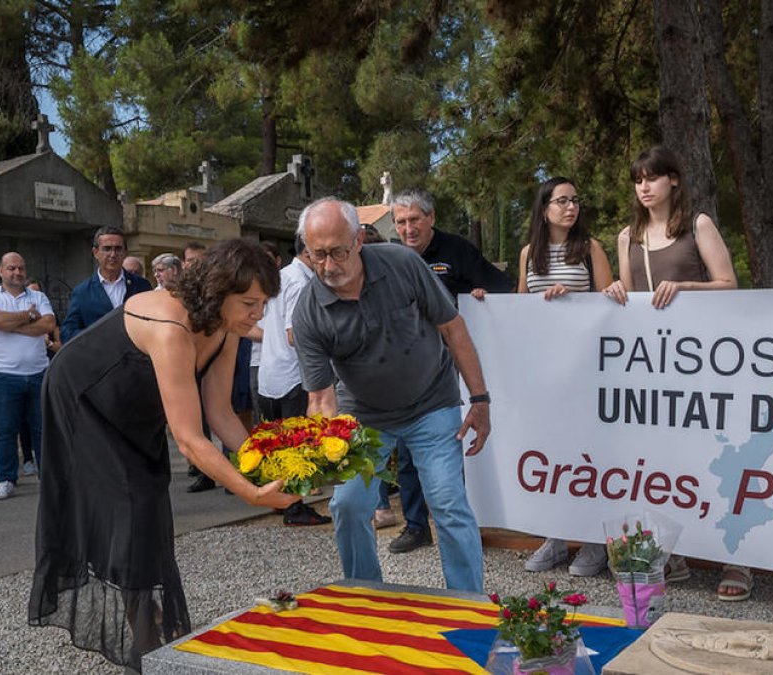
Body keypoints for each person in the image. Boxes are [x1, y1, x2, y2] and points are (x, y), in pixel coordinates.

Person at [28, 239, 297, 671]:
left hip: (133, 406)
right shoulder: (171, 328)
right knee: (132, 506)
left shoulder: (227, 327)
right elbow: (190, 439)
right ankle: (147, 647)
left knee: (149, 496)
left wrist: (275, 464)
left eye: (263, 304)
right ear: (217, 291)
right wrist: (251, 492)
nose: (258, 315)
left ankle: (148, 623)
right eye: (249, 302)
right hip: (83, 400)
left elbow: (221, 413)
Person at [293, 197, 491, 592]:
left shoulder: (402, 264)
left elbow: (453, 328)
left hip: (432, 402)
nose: (328, 266)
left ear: (359, 240)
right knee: (348, 505)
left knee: (448, 502)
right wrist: (327, 452)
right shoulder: (308, 312)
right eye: (317, 255)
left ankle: (469, 602)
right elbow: (320, 398)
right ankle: (366, 595)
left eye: (337, 252)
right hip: (363, 416)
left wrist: (480, 400)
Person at [605, 146, 742, 597]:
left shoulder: (697, 225)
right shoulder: (628, 236)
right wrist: (611, 290)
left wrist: (684, 285)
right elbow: (627, 295)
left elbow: (729, 286)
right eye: (637, 179)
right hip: (652, 367)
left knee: (715, 460)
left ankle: (736, 560)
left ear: (674, 180)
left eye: (653, 177)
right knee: (661, 462)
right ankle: (672, 554)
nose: (644, 186)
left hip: (700, 361)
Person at [383, 188, 516, 554]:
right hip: (408, 365)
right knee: (408, 447)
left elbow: (503, 287)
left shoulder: (457, 250)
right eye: (401, 222)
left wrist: (479, 295)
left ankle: (469, 522)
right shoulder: (391, 258)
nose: (408, 229)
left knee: (455, 443)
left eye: (414, 220)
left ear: (431, 219)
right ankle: (415, 525)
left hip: (456, 363)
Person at [516, 177, 615, 577]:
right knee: (553, 455)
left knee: (588, 454)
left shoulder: (590, 249)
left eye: (575, 200)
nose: (570, 207)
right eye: (561, 201)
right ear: (544, 209)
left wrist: (573, 300)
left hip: (586, 367)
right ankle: (556, 538)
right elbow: (520, 307)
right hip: (545, 370)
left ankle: (594, 541)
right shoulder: (527, 253)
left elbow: (613, 302)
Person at [254, 235, 332, 526]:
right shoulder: (300, 283)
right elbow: (294, 334)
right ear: (309, 253)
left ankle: (280, 498)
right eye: (322, 253)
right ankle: (294, 507)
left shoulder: (281, 277)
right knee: (296, 445)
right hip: (292, 374)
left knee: (278, 444)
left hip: (270, 371)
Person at [0, 253, 56, 501]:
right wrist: (27, 316)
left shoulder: (38, 296)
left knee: (42, 428)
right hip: (4, 374)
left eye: (21, 268)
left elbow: (48, 325)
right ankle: (6, 479)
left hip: (37, 373)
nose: (17, 273)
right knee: (5, 430)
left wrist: (9, 324)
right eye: (11, 268)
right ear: (0, 271)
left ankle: (49, 478)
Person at [61, 226, 153, 342]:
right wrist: (95, 338)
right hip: (100, 357)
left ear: (125, 252)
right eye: (107, 249)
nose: (113, 254)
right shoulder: (82, 292)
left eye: (118, 249)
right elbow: (67, 332)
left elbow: (153, 322)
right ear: (96, 252)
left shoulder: (141, 286)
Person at [17, 279, 62, 476]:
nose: (33, 300)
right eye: (29, 294)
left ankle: (47, 461)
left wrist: (49, 344)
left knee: (42, 417)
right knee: (23, 421)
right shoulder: (17, 316)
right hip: (21, 369)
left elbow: (61, 344)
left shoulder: (51, 320)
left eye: (36, 294)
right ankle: (27, 458)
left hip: (47, 367)